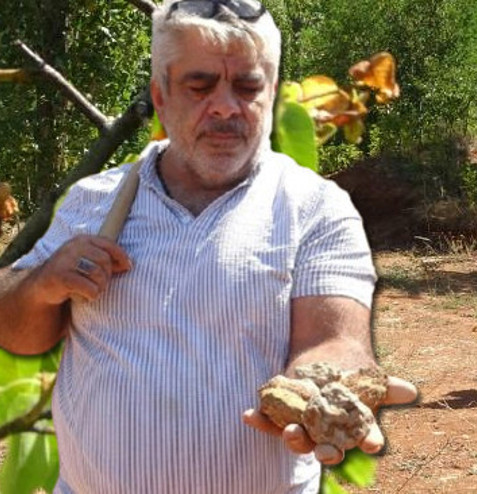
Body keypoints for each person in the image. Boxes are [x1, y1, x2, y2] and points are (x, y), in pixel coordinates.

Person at [0, 0, 416, 492]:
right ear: (160, 96)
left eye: (247, 86)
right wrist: (43, 283)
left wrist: (327, 387)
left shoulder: (315, 208)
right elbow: (18, 332)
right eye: (199, 86)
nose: (224, 106)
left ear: (273, 94)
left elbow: (335, 339)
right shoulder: (93, 204)